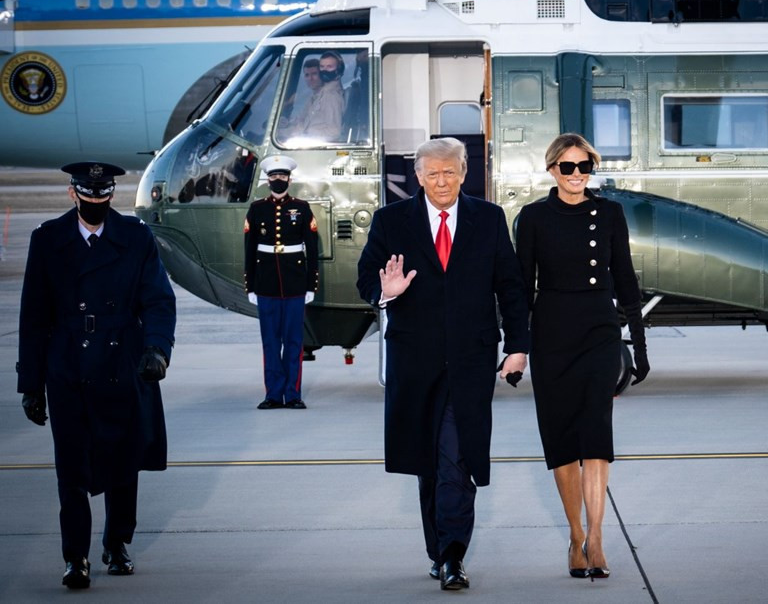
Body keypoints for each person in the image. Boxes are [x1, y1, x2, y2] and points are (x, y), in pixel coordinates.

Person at [356, 137, 529, 591]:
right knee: (427, 461)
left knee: (457, 455)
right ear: (417, 177)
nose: (441, 181)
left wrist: (518, 346)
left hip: (471, 360)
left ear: (464, 172)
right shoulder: (391, 222)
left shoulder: (488, 219)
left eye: (449, 172)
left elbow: (510, 287)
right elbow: (365, 280)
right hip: (414, 362)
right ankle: (439, 550)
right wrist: (386, 293)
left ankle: (453, 554)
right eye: (431, 173)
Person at [17, 162, 176, 590]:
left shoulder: (136, 237)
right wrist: (31, 384)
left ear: (110, 197)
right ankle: (76, 558)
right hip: (67, 366)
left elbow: (158, 300)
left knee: (124, 464)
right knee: (71, 469)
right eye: (88, 199)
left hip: (121, 363)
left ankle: (117, 543)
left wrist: (157, 350)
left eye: (102, 199)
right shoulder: (48, 239)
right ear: (74, 195)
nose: (95, 206)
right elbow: (33, 317)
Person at [514, 133, 649, 580]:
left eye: (584, 166)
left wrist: (640, 344)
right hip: (553, 334)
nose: (577, 175)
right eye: (568, 167)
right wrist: (516, 346)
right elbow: (520, 288)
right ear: (552, 169)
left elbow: (626, 278)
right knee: (563, 444)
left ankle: (598, 539)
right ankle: (575, 535)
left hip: (599, 333)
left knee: (596, 439)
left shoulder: (609, 213)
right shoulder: (533, 218)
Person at [244, 155, 319, 409]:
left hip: (295, 284)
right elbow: (249, 249)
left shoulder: (302, 207)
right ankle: (273, 395)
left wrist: (311, 286)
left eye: (282, 176)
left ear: (290, 179)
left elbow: (312, 249)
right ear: (268, 180)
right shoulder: (256, 209)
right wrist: (251, 286)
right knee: (271, 342)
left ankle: (293, 394)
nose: (278, 180)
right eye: (274, 177)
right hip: (266, 285)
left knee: (294, 342)